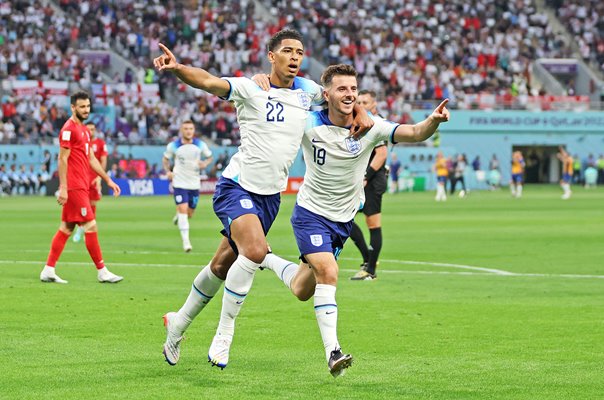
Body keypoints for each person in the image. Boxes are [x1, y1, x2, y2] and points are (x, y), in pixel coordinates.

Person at [154, 29, 372, 369]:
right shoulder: (251, 87)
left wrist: (361, 112)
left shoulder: (308, 92)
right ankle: (224, 334)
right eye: (288, 50)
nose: (296, 57)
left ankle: (178, 324)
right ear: (272, 56)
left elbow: (339, 100)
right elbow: (209, 81)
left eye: (300, 51)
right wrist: (177, 67)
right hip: (237, 186)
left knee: (221, 265)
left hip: (270, 198)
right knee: (255, 252)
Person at [256, 64, 449, 376]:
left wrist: (433, 121)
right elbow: (280, 100)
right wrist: (261, 80)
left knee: (302, 289)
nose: (349, 94)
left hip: (342, 221)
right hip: (310, 215)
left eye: (353, 90)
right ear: (327, 93)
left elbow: (413, 132)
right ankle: (333, 352)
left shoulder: (371, 127)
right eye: (342, 89)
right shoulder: (306, 123)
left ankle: (265, 258)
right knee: (329, 272)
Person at [40, 91, 123, 284]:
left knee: (66, 228)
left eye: (87, 106)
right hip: (74, 187)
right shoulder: (68, 129)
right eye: (82, 107)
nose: (86, 110)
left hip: (82, 185)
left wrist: (107, 179)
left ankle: (48, 269)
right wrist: (63, 187)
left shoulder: (84, 130)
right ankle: (102, 271)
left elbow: (91, 159)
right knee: (90, 225)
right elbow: (62, 158)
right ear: (73, 107)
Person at [349, 89, 388, 281]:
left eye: (365, 102)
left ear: (373, 105)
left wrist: (366, 176)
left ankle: (370, 269)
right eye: (359, 102)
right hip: (360, 179)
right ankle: (367, 259)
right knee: (344, 219)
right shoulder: (360, 121)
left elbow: (381, 154)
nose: (361, 106)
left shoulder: (376, 123)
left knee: (373, 224)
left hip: (372, 180)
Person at [162, 120, 213, 252]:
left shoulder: (200, 144)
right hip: (179, 182)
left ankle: (178, 216)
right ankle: (186, 242)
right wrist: (168, 171)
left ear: (194, 130)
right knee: (184, 210)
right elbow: (166, 159)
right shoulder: (173, 145)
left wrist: (205, 163)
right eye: (185, 128)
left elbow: (210, 157)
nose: (188, 131)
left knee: (189, 213)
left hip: (194, 183)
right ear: (181, 130)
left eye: (190, 128)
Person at [73, 122, 108, 243]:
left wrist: (100, 177)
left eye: (93, 129)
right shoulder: (80, 142)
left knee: (92, 205)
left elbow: (103, 160)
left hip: (93, 179)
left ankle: (88, 230)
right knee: (80, 205)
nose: (91, 132)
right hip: (81, 178)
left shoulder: (100, 143)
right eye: (89, 129)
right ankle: (80, 228)